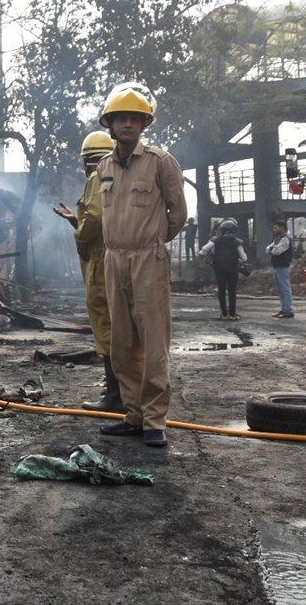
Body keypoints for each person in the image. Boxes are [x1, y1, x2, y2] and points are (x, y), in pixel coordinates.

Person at [95, 82, 186, 449]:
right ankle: (132, 415)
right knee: (122, 341)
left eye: (135, 118)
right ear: (111, 123)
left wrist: (153, 245)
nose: (128, 124)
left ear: (145, 123)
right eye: (121, 118)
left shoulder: (160, 162)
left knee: (153, 340)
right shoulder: (103, 165)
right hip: (113, 258)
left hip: (148, 257)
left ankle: (154, 420)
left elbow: (178, 213)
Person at [52, 130, 123, 412]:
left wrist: (79, 232)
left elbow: (94, 219)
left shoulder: (97, 178)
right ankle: (125, 390)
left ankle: (114, 397)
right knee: (122, 325)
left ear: (87, 161)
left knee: (106, 326)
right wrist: (76, 220)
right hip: (120, 258)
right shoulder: (122, 177)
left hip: (101, 261)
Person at [199, 218, 247, 320]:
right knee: (232, 291)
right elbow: (244, 258)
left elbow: (202, 251)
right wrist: (238, 261)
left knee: (221, 290)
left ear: (222, 229)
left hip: (219, 269)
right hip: (233, 269)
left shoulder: (215, 240)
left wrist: (208, 261)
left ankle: (224, 314)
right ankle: (232, 314)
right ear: (234, 230)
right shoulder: (237, 242)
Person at [266, 220, 295, 318]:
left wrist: (271, 249)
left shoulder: (285, 239)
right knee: (280, 289)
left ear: (282, 227)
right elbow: (268, 249)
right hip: (277, 266)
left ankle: (288, 310)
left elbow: (276, 251)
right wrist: (272, 249)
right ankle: (284, 309)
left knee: (285, 289)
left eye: (276, 227)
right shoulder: (277, 239)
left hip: (283, 266)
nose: (274, 229)